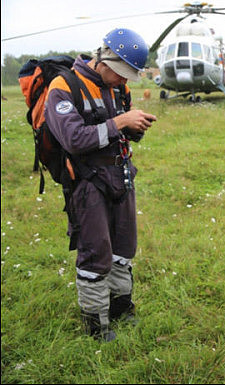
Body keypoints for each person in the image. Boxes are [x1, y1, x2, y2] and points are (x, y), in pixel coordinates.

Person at [45, 28, 157, 341]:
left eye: (128, 77)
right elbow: (74, 139)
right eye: (120, 74)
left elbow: (118, 128)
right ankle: (97, 327)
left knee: (123, 248)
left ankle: (122, 309)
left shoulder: (118, 89)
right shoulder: (64, 87)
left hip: (121, 175)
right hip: (87, 182)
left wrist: (134, 126)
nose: (124, 82)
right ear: (103, 59)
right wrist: (121, 122)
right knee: (96, 253)